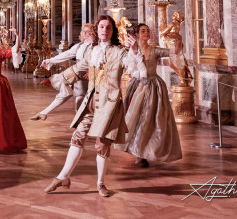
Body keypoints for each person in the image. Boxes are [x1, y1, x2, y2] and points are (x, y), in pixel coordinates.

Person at [45, 15, 128, 198]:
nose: (104, 31)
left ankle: (101, 183)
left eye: (108, 28)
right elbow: (78, 68)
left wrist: (136, 51)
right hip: (91, 103)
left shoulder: (120, 51)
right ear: (97, 30)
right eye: (101, 27)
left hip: (110, 106)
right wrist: (57, 78)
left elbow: (131, 64)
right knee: (78, 136)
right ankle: (63, 177)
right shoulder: (92, 52)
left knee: (103, 145)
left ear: (112, 31)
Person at [116, 24, 182, 166]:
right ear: (137, 34)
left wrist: (178, 39)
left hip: (153, 87)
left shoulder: (154, 50)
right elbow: (126, 66)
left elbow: (174, 52)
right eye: (143, 31)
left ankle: (147, 152)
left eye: (148, 31)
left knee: (150, 120)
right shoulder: (131, 50)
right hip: (136, 86)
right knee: (135, 120)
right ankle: (137, 151)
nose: (146, 33)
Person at [32, 23, 97, 121]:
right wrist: (51, 61)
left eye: (89, 32)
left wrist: (93, 72)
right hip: (78, 77)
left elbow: (100, 61)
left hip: (91, 78)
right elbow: (67, 54)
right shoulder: (79, 46)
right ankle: (44, 113)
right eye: (84, 32)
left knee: (91, 107)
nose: (86, 34)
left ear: (94, 34)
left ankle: (89, 129)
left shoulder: (97, 47)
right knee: (74, 100)